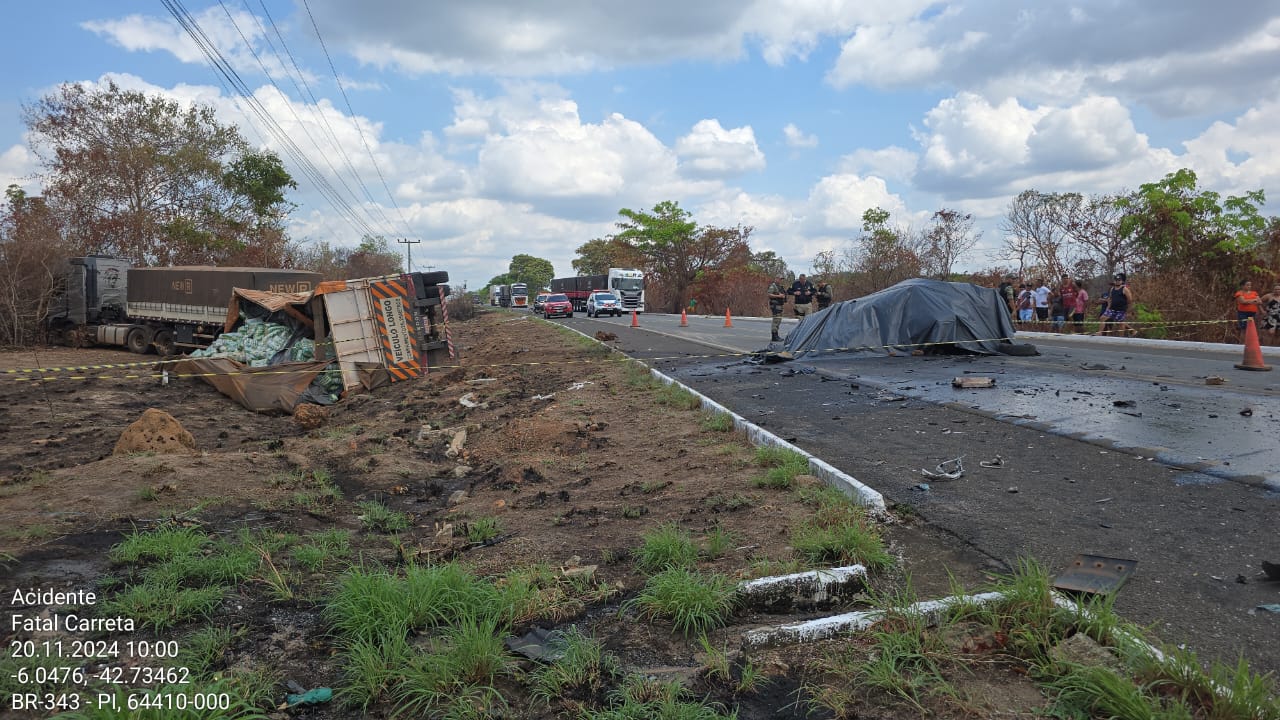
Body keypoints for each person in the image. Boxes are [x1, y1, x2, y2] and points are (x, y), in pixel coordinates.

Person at [767, 275, 787, 341]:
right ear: (776, 279)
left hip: (779, 305)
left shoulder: (779, 287)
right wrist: (779, 296)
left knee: (778, 320)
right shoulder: (773, 286)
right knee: (776, 320)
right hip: (775, 305)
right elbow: (769, 294)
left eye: (781, 279)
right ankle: (774, 336)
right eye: (779, 279)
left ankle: (776, 335)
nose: (780, 280)